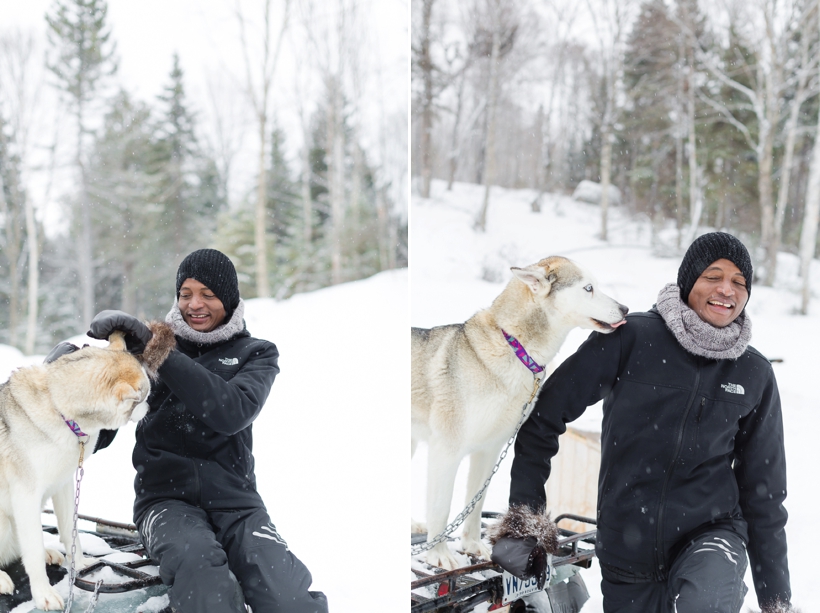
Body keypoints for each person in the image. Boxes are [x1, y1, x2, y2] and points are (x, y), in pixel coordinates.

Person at [490, 233, 791, 613]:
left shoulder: (753, 372)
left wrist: (777, 601)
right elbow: (544, 417)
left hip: (712, 536)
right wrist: (525, 522)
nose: (726, 290)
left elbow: (764, 492)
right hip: (626, 545)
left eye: (739, 282)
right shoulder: (633, 337)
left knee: (710, 598)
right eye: (713, 276)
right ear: (688, 281)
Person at [85, 248, 328, 613]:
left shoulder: (256, 353)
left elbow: (231, 411)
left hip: (239, 506)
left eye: (208, 294)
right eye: (185, 294)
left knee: (288, 599)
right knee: (205, 580)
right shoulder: (147, 353)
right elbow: (100, 431)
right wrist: (68, 378)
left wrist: (160, 352)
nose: (194, 304)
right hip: (164, 503)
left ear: (228, 299)